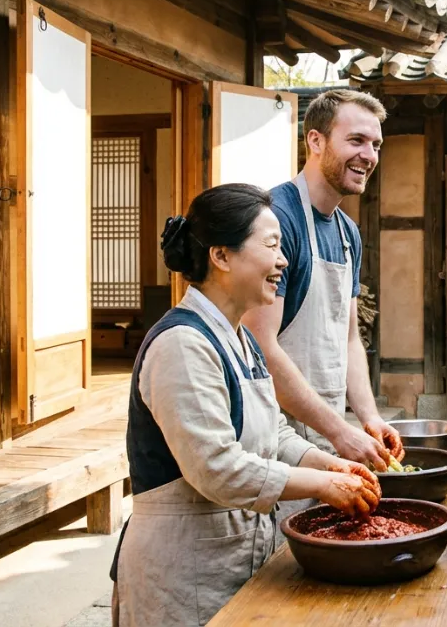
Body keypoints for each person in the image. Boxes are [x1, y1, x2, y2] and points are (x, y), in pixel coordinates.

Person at [112, 184, 381, 626]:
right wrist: (320, 485)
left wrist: (329, 464)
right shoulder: (183, 343)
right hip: (185, 566)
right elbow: (216, 467)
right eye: (272, 245)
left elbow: (272, 431)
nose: (283, 261)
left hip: (232, 551)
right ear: (221, 256)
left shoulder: (238, 338)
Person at [244, 89, 403, 475]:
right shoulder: (277, 219)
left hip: (328, 430)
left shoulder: (349, 233)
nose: (369, 155)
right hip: (275, 436)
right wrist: (339, 432)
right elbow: (258, 345)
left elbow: (349, 337)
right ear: (315, 140)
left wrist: (368, 418)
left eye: (376, 144)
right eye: (356, 140)